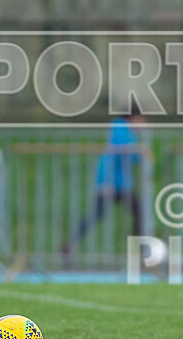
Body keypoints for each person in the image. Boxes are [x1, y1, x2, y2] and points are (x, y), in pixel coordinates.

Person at [61, 107, 148, 263]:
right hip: (111, 182)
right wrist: (139, 150)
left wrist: (139, 156)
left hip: (121, 183)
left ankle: (139, 251)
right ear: (134, 118)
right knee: (99, 214)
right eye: (141, 119)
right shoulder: (120, 127)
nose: (143, 123)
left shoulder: (127, 131)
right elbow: (120, 149)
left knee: (134, 213)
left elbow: (129, 157)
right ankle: (139, 252)